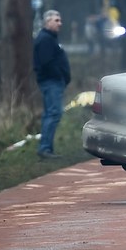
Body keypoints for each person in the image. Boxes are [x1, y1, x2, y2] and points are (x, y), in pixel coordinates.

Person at [32, 10, 71, 160]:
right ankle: (45, 148)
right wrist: (59, 75)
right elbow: (46, 63)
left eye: (60, 20)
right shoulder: (45, 40)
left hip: (54, 82)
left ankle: (47, 148)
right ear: (47, 22)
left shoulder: (50, 38)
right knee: (53, 113)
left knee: (51, 113)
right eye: (56, 20)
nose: (60, 23)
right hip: (51, 82)